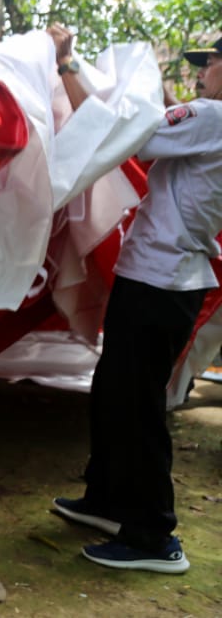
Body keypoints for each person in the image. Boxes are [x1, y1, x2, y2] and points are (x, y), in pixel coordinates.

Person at [51, 29, 222, 574]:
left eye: (210, 62)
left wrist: (68, 65)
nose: (200, 72)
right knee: (113, 391)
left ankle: (154, 534)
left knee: (137, 405)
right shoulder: (207, 122)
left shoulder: (212, 118)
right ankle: (107, 499)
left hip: (162, 279)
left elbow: (124, 136)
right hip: (162, 275)